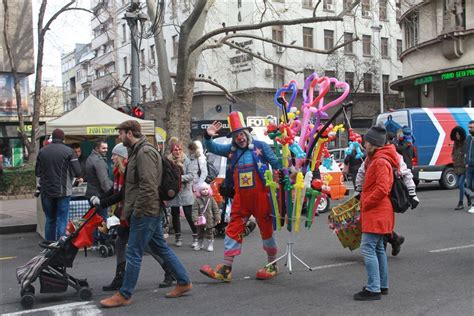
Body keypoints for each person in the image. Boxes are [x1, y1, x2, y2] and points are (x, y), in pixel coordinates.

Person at [100, 120, 192, 308]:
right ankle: (183, 282)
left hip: (146, 211)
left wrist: (137, 211)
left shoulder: (144, 153)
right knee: (161, 248)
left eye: (121, 133)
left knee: (133, 251)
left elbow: (148, 187)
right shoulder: (137, 152)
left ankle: (125, 294)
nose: (119, 136)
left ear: (130, 133)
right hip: (147, 210)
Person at [199, 111, 282, 282]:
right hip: (241, 199)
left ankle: (272, 264)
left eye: (242, 134)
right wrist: (207, 136)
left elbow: (277, 164)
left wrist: (285, 174)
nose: (240, 138)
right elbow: (212, 147)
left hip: (261, 196)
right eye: (236, 135)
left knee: (266, 230)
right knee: (232, 230)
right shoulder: (231, 150)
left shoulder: (260, 146)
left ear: (247, 133)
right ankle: (226, 269)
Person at [91, 143, 176, 291]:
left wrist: (102, 203)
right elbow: (114, 190)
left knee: (149, 245)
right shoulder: (120, 171)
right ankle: (121, 276)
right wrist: (100, 198)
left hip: (137, 213)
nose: (111, 157)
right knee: (122, 243)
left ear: (121, 156)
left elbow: (121, 194)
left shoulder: (128, 171)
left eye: (114, 155)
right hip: (130, 213)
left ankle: (169, 271)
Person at [356, 132, 420, 257]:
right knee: (380, 227)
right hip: (377, 195)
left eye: (367, 142)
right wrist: (359, 190)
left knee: (379, 228)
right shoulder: (371, 157)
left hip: (388, 194)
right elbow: (361, 172)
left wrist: (412, 193)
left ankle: (380, 255)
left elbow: (404, 173)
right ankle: (392, 241)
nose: (364, 145)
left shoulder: (388, 157)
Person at [353, 124, 397, 301]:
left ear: (373, 143)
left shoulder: (379, 161)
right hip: (380, 211)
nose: (364, 144)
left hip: (376, 211)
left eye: (366, 142)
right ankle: (381, 285)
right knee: (378, 248)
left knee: (368, 248)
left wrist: (365, 202)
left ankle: (373, 289)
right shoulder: (378, 158)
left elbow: (382, 188)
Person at [35, 128, 82, 241]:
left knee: (50, 219)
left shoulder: (42, 151)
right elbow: (78, 172)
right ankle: (60, 246)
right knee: (62, 219)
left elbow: (37, 172)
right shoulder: (69, 151)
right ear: (63, 139)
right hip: (63, 191)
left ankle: (49, 245)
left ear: (53, 138)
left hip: (46, 191)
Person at [167, 137, 197, 248]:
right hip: (173, 192)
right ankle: (178, 237)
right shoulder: (168, 160)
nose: (178, 151)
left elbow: (191, 175)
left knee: (189, 215)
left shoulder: (186, 160)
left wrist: (179, 178)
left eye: (179, 149)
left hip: (185, 191)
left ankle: (195, 235)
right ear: (171, 150)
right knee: (175, 215)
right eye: (175, 149)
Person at [192, 182, 220, 252]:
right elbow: (194, 210)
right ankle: (200, 244)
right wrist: (195, 219)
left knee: (210, 233)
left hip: (209, 219)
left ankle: (210, 244)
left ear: (209, 190)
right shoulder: (197, 200)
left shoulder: (211, 199)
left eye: (206, 189)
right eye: (203, 189)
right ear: (199, 191)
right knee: (200, 233)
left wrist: (217, 218)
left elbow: (215, 209)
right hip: (200, 220)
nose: (205, 191)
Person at [450, 126, 470, 210]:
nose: (457, 135)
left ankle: (460, 203)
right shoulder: (455, 143)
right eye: (456, 134)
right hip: (456, 166)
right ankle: (469, 196)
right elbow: (453, 152)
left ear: (462, 134)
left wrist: (467, 163)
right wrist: (453, 157)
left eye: (458, 134)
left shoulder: (465, 143)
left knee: (460, 184)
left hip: (464, 167)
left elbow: (468, 154)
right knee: (460, 185)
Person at [464, 120, 474, 214]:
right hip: (469, 166)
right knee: (469, 186)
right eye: (469, 127)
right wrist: (466, 162)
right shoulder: (468, 138)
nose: (469, 129)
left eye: (471, 127)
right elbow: (466, 151)